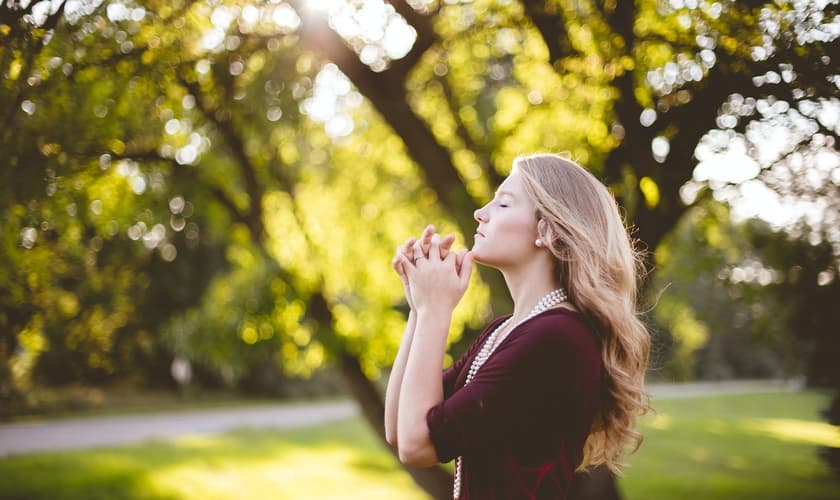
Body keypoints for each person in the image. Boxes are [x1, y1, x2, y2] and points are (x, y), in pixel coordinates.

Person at [384, 153, 651, 499]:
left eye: (504, 204)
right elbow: (399, 428)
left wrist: (436, 309)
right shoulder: (507, 330)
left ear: (548, 231)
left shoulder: (555, 338)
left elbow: (418, 446)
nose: (481, 212)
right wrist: (420, 307)